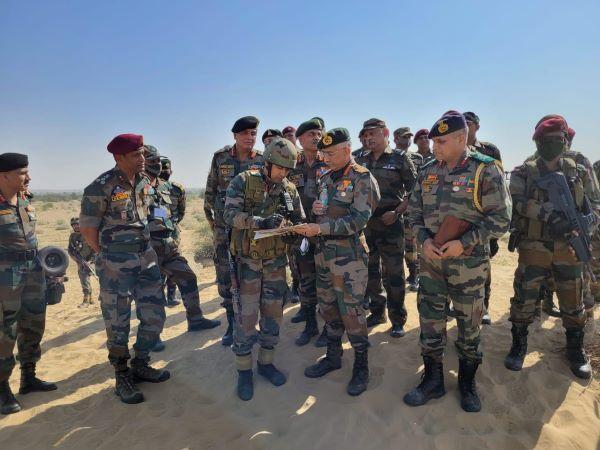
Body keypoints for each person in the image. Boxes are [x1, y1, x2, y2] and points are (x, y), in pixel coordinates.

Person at [403, 111, 511, 412]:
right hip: (431, 265)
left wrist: (463, 243)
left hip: (468, 267)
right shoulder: (427, 170)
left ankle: (467, 382)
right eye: (433, 142)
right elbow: (413, 213)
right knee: (430, 322)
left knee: (469, 326)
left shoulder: (484, 170)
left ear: (462, 138)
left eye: (441, 142)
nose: (434, 147)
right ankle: (432, 380)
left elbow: (501, 219)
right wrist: (424, 240)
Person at [504, 116, 599, 380]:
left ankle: (575, 350)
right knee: (524, 297)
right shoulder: (524, 172)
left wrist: (585, 228)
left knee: (573, 299)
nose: (554, 144)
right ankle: (518, 345)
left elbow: (595, 205)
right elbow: (516, 203)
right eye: (547, 140)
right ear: (537, 141)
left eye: (558, 139)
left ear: (566, 140)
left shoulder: (579, 171)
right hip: (534, 246)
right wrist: (549, 216)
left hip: (569, 247)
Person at [80, 134, 170, 404]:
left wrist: (165, 227)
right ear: (119, 158)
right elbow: (88, 230)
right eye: (136, 155)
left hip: (146, 257)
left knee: (154, 313)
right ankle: (122, 375)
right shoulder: (101, 186)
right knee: (118, 321)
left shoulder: (144, 181)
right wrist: (108, 255)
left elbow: (152, 211)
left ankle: (141, 363)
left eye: (142, 153)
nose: (142, 158)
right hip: (116, 263)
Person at [296, 127, 380, 397]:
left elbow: (358, 220)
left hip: (349, 258)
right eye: (324, 154)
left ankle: (361, 366)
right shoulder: (325, 176)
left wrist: (321, 228)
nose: (326, 158)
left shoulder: (362, 178)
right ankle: (333, 357)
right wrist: (316, 212)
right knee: (328, 308)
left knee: (352, 313)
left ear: (347, 150)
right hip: (323, 255)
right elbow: (323, 212)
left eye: (331, 153)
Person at [223, 137, 304, 401]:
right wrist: (259, 221)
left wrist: (294, 231)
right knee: (246, 318)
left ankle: (266, 363)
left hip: (275, 263)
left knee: (273, 315)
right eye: (279, 168)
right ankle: (244, 371)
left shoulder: (289, 189)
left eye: (287, 170)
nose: (283, 174)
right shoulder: (243, 181)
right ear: (267, 163)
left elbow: (298, 219)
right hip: (247, 262)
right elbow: (229, 215)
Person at [144, 145, 220, 351]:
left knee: (188, 277)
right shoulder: (134, 186)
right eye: (153, 161)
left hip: (168, 245)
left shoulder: (168, 187)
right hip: (146, 248)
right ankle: (151, 336)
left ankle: (195, 320)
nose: (158, 165)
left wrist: (168, 229)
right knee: (152, 291)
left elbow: (176, 213)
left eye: (159, 161)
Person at [0, 153, 57, 415]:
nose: (29, 177)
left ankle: (29, 377)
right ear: (4, 176)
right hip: (5, 277)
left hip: (33, 271)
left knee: (33, 324)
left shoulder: (25, 199)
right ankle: (2, 389)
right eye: (23, 173)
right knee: (5, 332)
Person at [204, 116, 264, 346]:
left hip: (250, 229)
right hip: (224, 228)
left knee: (252, 276)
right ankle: (231, 323)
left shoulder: (261, 159)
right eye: (245, 133)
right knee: (225, 277)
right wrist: (214, 225)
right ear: (235, 135)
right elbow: (210, 192)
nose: (250, 137)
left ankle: (251, 325)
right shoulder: (220, 158)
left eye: (253, 133)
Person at [355, 118, 417, 337]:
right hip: (367, 225)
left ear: (386, 133)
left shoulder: (400, 158)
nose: (369, 138)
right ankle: (377, 312)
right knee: (370, 271)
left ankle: (397, 319)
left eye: (373, 133)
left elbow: (414, 191)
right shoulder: (359, 159)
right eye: (366, 134)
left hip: (391, 222)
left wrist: (397, 212)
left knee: (394, 274)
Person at [287, 118, 328, 346]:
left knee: (327, 283)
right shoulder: (293, 164)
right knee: (306, 280)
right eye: (311, 134)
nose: (316, 137)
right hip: (301, 233)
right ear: (300, 139)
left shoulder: (330, 160)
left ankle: (329, 329)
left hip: (325, 232)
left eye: (319, 133)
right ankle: (310, 325)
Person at [159, 156, 184, 307]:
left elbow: (181, 212)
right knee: (159, 265)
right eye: (162, 169)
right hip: (156, 234)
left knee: (173, 264)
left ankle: (171, 296)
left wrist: (171, 223)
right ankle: (161, 297)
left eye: (166, 169)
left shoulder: (177, 189)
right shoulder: (149, 189)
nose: (164, 172)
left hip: (172, 233)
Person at [67, 217, 97, 307]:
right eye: (74, 225)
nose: (76, 226)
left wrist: (91, 261)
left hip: (93, 261)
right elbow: (70, 250)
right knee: (84, 278)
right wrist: (77, 261)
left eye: (77, 224)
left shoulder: (89, 234)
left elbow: (96, 249)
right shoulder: (72, 236)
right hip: (81, 262)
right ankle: (87, 299)